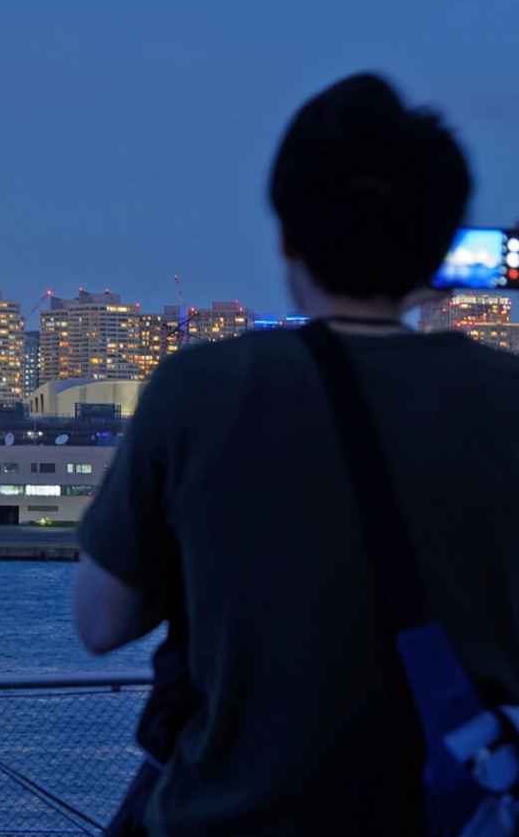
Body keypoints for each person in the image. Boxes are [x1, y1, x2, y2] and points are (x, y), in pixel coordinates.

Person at [72, 72, 519, 836]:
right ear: (442, 249)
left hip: (235, 815)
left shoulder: (200, 390)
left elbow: (100, 621)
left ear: (285, 235)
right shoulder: (504, 395)